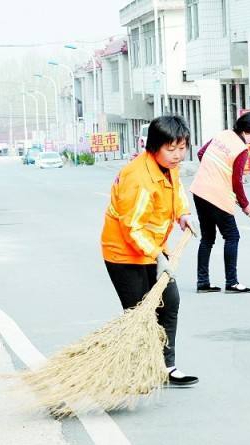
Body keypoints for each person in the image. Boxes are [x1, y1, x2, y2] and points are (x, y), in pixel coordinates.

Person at [101, 115, 198, 387]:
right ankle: (134, 372)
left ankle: (167, 367)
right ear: (154, 146)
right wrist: (158, 258)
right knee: (139, 314)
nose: (178, 155)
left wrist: (184, 214)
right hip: (124, 252)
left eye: (182, 147)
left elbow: (176, 190)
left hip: (153, 247)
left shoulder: (168, 166)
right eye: (172, 148)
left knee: (170, 302)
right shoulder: (138, 177)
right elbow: (132, 227)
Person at [190, 112, 250, 294]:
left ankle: (203, 282)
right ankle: (231, 282)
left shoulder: (222, 135)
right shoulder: (241, 149)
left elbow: (201, 153)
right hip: (217, 196)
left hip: (199, 191)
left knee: (207, 238)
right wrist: (245, 204)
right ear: (249, 131)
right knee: (232, 236)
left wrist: (212, 171)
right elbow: (236, 181)